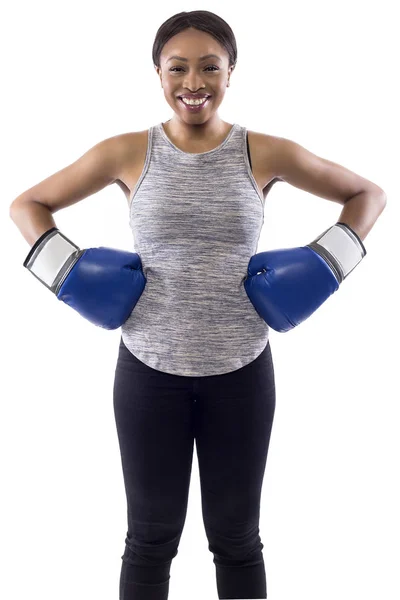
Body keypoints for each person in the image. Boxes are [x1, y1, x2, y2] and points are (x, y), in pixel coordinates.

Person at [9, 9, 387, 600]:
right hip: (146, 373)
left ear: (230, 72)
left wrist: (324, 267)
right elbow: (28, 205)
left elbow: (367, 195)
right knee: (150, 540)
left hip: (241, 372)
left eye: (209, 67)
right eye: (177, 68)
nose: (193, 83)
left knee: (237, 539)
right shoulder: (127, 151)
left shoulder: (262, 151)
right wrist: (73, 278)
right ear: (157, 73)